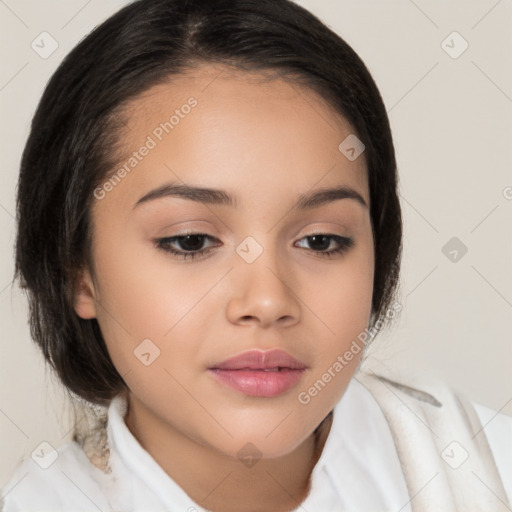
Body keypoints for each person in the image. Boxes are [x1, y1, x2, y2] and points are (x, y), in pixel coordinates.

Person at [2, 0, 511, 510]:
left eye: (320, 240)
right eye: (191, 241)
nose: (267, 301)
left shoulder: (483, 471)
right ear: (79, 275)